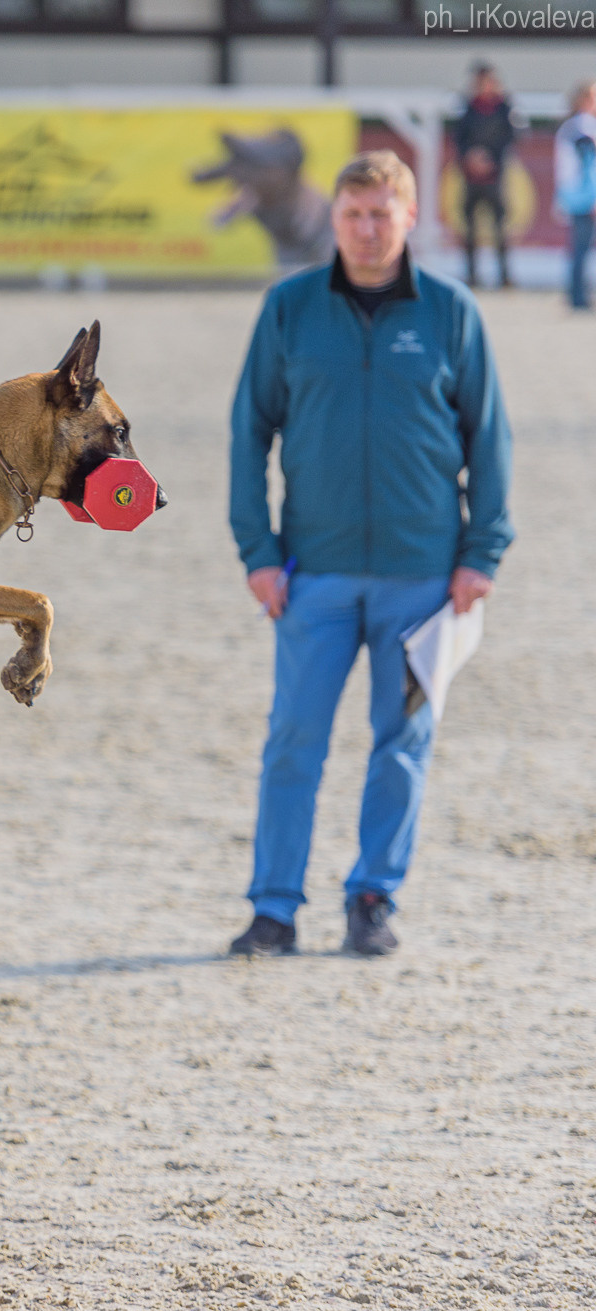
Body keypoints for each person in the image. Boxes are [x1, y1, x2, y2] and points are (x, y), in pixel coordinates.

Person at [226, 150, 514, 959]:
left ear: (410, 217)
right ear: (336, 218)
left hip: (423, 582)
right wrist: (258, 548)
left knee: (403, 741)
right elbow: (250, 432)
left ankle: (373, 897)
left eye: (380, 214)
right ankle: (273, 908)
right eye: (352, 213)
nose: (364, 228)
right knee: (293, 742)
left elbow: (490, 441)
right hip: (310, 576)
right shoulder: (289, 308)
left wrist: (481, 552)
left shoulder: (452, 315)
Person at [453, 62, 523, 289]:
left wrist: (490, 159)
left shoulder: (504, 108)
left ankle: (504, 276)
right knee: (470, 229)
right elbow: (458, 138)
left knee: (500, 228)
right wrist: (471, 157)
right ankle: (472, 275)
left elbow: (511, 138)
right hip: (471, 177)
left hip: (495, 176)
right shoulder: (468, 107)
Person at [555, 79, 596, 310]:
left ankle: (577, 295)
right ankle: (578, 297)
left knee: (578, 248)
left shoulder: (570, 126)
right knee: (581, 248)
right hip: (584, 197)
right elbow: (587, 167)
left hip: (575, 196)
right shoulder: (583, 127)